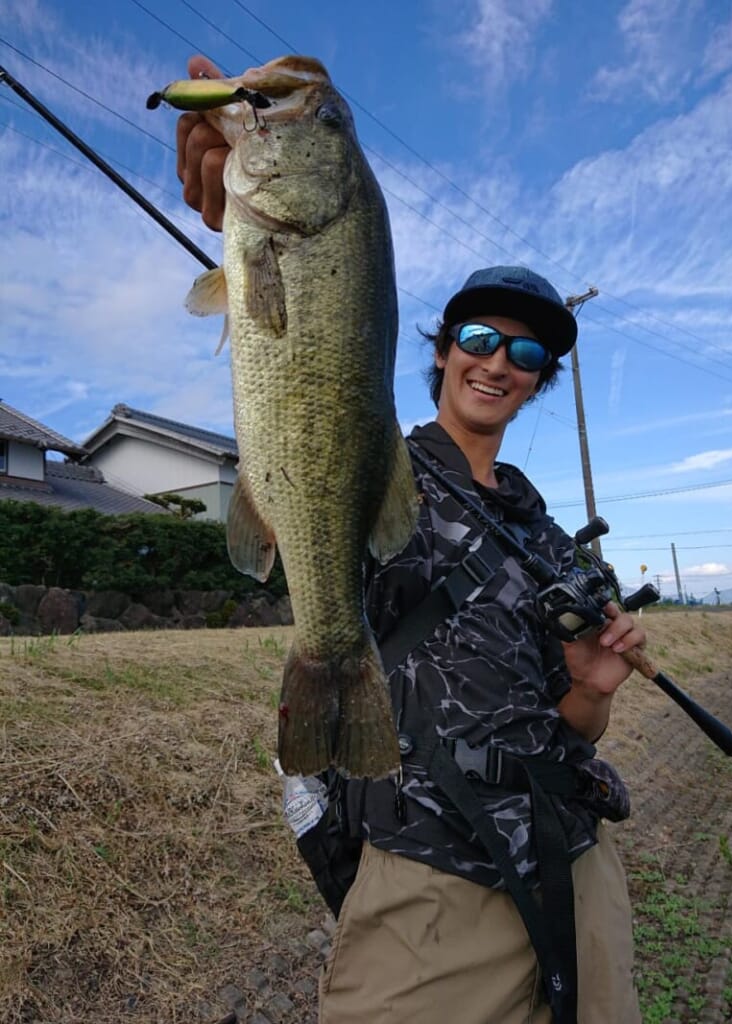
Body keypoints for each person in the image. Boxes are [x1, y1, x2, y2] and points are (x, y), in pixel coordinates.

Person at [177, 55, 646, 1024]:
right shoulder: (384, 458)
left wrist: (589, 692)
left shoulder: (553, 537)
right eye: (481, 335)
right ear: (439, 347)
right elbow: (315, 367)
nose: (498, 361)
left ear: (539, 381)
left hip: (575, 856)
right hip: (430, 882)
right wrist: (236, 208)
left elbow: (576, 726)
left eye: (527, 353)